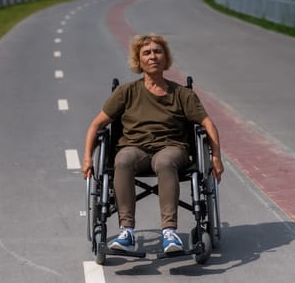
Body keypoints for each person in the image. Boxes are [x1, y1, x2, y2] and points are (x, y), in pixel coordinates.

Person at [82, 34, 224, 254]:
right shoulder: (126, 92)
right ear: (138, 61)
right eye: (146, 53)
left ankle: (169, 233)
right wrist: (87, 158)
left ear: (165, 58)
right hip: (134, 149)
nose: (153, 56)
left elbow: (208, 124)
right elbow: (96, 125)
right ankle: (126, 231)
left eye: (158, 52)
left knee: (165, 162)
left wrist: (215, 157)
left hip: (172, 149)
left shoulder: (182, 94)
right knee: (123, 159)